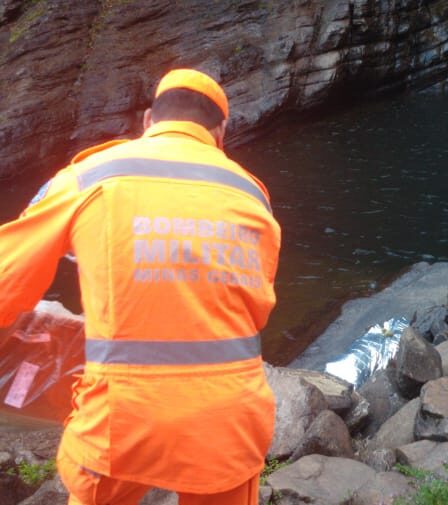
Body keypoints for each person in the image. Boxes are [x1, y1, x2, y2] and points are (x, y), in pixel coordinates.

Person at [0, 69, 281, 504]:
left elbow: (6, 279)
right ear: (220, 133)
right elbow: (255, 308)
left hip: (123, 419)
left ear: (149, 120)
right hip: (229, 421)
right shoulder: (253, 195)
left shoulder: (89, 176)